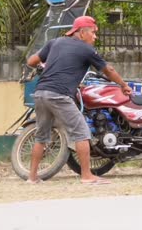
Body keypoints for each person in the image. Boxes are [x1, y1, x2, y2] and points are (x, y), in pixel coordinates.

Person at [26, 16, 133, 184]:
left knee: (41, 136)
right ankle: (86, 175)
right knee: (82, 132)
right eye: (93, 32)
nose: (95, 37)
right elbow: (108, 70)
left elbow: (31, 61)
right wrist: (123, 85)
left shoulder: (55, 42)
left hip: (41, 93)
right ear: (82, 33)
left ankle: (32, 177)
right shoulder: (86, 50)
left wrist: (46, 66)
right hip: (59, 95)